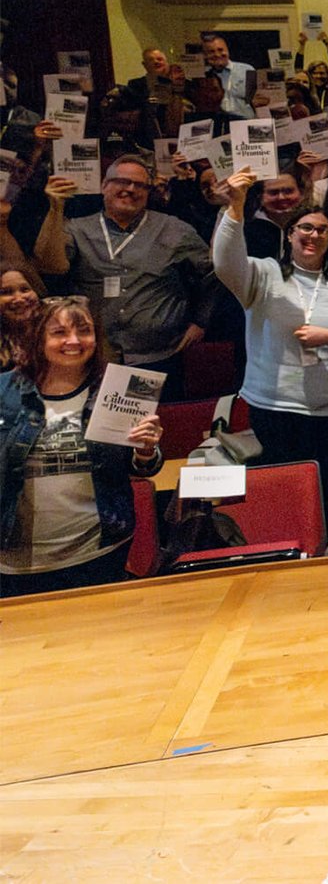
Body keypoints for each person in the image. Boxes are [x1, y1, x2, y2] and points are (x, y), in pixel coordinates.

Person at [212, 168, 328, 527]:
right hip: (276, 409)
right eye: (304, 228)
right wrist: (235, 208)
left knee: (326, 498)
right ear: (289, 235)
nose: (313, 235)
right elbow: (224, 262)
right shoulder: (262, 275)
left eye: (321, 230)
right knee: (284, 499)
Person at [0, 297, 165, 598]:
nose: (74, 341)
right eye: (59, 332)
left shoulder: (119, 389)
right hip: (14, 559)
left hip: (97, 551)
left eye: (84, 331)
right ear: (38, 338)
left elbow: (139, 466)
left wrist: (146, 450)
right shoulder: (3, 391)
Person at [35, 155, 213, 401]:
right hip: (95, 356)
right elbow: (50, 266)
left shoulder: (175, 230)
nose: (130, 189)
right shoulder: (77, 228)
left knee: (149, 430)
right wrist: (56, 208)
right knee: (97, 427)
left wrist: (200, 321)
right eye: (122, 181)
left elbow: (213, 274)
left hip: (156, 356)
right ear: (104, 186)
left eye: (140, 185)